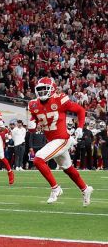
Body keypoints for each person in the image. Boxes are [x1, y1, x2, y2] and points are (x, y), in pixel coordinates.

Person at [27, 77, 93, 205]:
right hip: (52, 140)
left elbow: (80, 110)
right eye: (39, 90)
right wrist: (32, 124)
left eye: (44, 90)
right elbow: (34, 123)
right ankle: (85, 189)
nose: (41, 93)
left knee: (38, 159)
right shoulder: (33, 104)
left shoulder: (60, 100)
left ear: (52, 90)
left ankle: (55, 188)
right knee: (68, 168)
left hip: (62, 139)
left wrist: (80, 127)